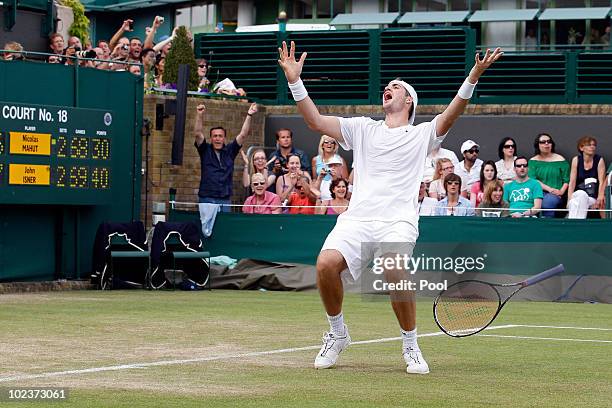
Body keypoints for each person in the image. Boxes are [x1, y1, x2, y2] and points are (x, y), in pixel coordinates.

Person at [277, 40, 502, 373]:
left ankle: (410, 345)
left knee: (394, 266)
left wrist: (474, 75)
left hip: (398, 220)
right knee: (325, 264)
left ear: (408, 100)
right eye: (386, 86)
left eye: (395, 87)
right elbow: (314, 121)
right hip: (358, 218)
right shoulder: (362, 128)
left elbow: (452, 115)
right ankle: (338, 334)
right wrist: (295, 80)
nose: (388, 89)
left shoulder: (423, 133)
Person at [194, 102, 258, 212]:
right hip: (207, 197)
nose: (217, 138)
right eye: (215, 136)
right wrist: (199, 115)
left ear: (224, 138)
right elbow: (197, 133)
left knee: (223, 227)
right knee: (207, 229)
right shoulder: (205, 150)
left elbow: (243, 135)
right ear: (211, 138)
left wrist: (249, 115)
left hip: (225, 198)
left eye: (220, 136)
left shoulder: (230, 151)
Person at [528, 133, 569, 218]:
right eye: (543, 142)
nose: (546, 144)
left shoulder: (561, 160)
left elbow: (567, 180)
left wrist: (561, 192)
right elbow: (533, 179)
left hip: (557, 194)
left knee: (548, 201)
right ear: (537, 145)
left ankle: (547, 225)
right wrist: (550, 189)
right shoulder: (533, 161)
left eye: (549, 142)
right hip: (538, 192)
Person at [567, 136, 607, 219]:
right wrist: (569, 199)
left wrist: (600, 196)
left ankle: (573, 223)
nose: (592, 147)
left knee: (578, 201)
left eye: (594, 145)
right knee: (580, 195)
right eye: (589, 145)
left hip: (592, 198)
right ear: (581, 148)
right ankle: (578, 224)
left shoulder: (599, 160)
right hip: (577, 195)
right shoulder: (576, 160)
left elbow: (602, 181)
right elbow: (572, 181)